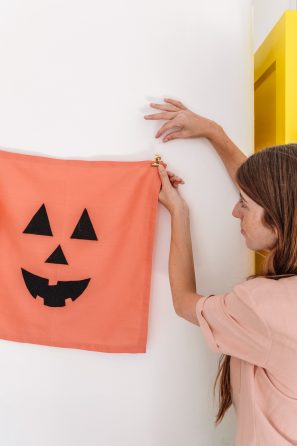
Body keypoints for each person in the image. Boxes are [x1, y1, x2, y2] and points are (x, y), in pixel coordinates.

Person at [144, 98, 297, 446]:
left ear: (279, 216)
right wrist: (214, 133)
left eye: (243, 204)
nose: (234, 212)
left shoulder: (265, 306)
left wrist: (177, 212)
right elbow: (276, 194)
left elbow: (185, 302)